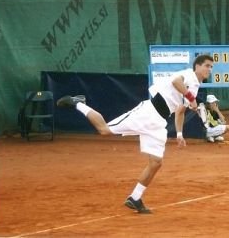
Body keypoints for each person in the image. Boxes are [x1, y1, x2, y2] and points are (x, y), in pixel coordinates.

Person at [56, 54, 214, 214]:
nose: (210, 69)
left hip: (159, 124)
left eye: (211, 67)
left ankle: (135, 198)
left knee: (156, 163)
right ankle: (79, 104)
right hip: (148, 112)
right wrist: (190, 97)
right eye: (207, 65)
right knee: (104, 130)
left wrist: (179, 134)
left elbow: (180, 111)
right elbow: (176, 82)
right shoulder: (189, 75)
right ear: (198, 66)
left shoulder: (195, 87)